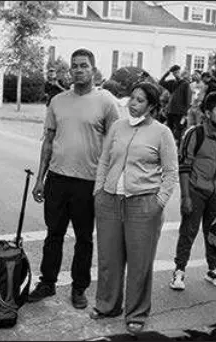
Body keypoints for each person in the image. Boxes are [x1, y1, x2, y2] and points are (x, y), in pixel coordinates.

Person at [27, 48, 119, 309]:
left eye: (84, 65)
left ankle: (79, 287)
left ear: (93, 69)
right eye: (74, 66)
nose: (78, 70)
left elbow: (116, 146)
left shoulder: (106, 102)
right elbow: (48, 142)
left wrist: (108, 183)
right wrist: (40, 179)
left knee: (84, 238)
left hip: (88, 182)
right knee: (53, 234)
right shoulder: (57, 101)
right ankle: (47, 282)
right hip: (57, 179)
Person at [92, 82, 178, 334]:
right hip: (109, 200)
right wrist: (98, 191)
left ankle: (137, 312)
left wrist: (158, 202)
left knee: (140, 262)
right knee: (109, 258)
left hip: (143, 203)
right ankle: (108, 305)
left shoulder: (162, 132)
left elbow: (171, 172)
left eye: (140, 100)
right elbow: (105, 160)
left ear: (151, 106)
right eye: (132, 98)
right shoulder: (118, 126)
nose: (133, 103)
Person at [170, 91, 216, 291]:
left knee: (214, 233)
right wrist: (185, 197)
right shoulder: (195, 134)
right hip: (196, 190)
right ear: (208, 113)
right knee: (188, 231)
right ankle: (179, 271)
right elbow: (184, 167)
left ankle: (213, 270)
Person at [159, 66, 192, 145]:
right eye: (174, 73)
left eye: (177, 72)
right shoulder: (172, 83)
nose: (175, 74)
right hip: (170, 110)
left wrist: (185, 112)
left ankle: (178, 147)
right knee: (169, 129)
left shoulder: (185, 84)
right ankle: (169, 145)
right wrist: (167, 72)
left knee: (179, 130)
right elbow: (161, 82)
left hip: (180, 112)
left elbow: (188, 99)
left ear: (180, 73)